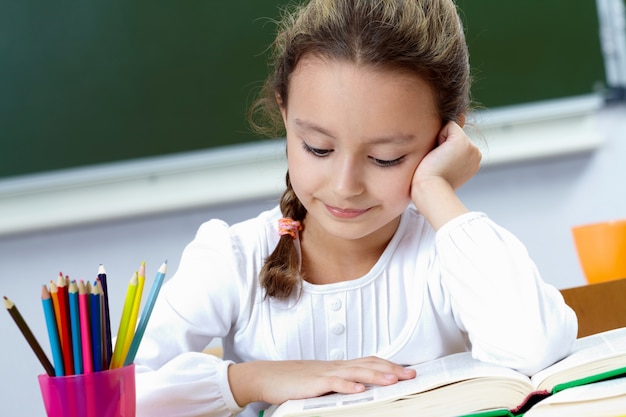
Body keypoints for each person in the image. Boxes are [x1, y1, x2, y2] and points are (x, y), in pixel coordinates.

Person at [134, 1, 578, 416]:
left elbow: (534, 347)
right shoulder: (233, 260)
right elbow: (108, 396)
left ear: (445, 138)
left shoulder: (446, 258)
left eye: (386, 158)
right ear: (284, 114)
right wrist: (252, 380)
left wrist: (436, 190)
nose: (346, 187)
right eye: (318, 148)